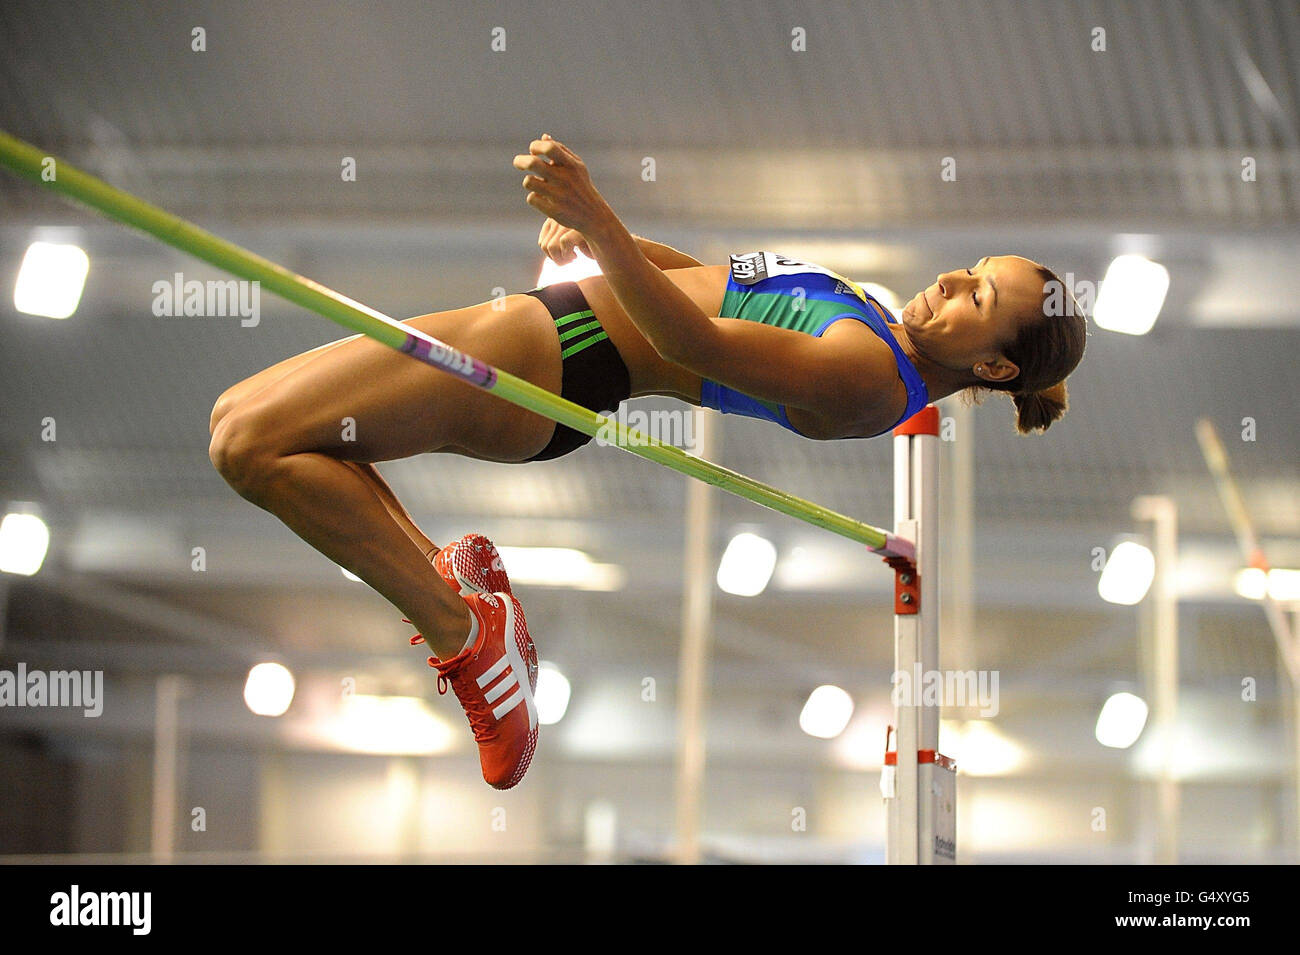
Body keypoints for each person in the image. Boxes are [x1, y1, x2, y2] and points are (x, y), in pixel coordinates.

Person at [207, 134, 1087, 789]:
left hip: (561, 357)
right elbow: (705, 283)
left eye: (979, 296)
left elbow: (691, 337)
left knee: (252, 447)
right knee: (240, 421)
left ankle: (467, 635)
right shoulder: (877, 320)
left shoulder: (869, 375)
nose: (952, 280)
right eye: (971, 267)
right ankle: (465, 613)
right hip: (555, 328)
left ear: (997, 366)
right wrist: (601, 248)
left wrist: (603, 217)